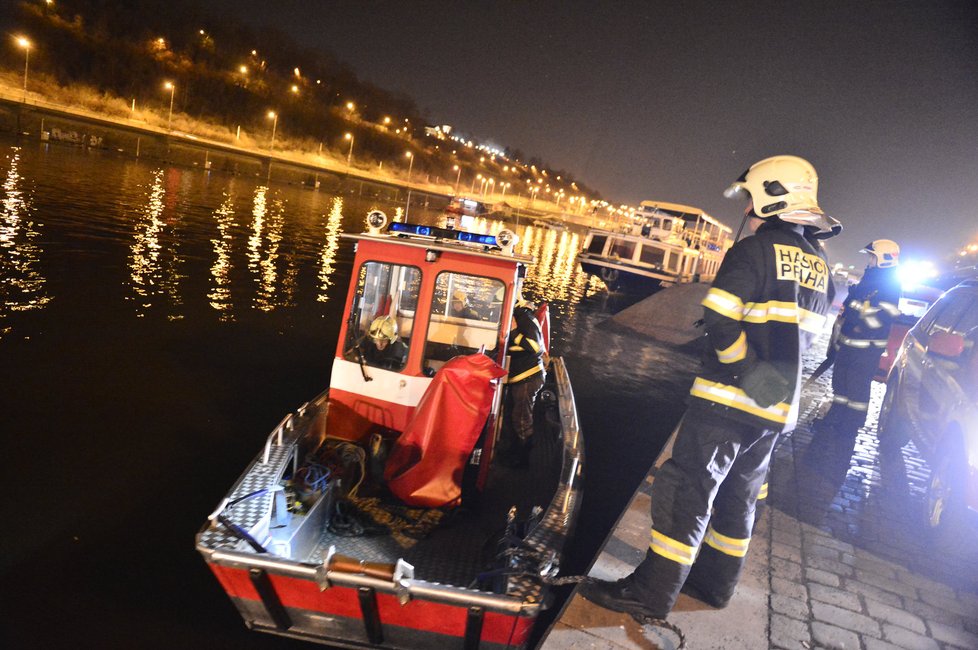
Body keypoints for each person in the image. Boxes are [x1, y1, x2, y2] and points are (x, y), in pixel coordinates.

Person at [581, 155, 840, 621]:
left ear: (771, 197)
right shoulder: (821, 264)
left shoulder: (755, 251)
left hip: (727, 403)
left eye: (750, 200)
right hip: (778, 410)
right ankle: (716, 583)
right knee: (741, 495)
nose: (746, 211)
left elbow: (720, 317)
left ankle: (651, 592)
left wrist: (745, 372)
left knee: (687, 491)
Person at [814, 240, 901, 441]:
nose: (869, 260)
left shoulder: (890, 284)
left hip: (866, 348)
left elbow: (886, 314)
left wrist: (859, 314)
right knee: (841, 386)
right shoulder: (871, 277)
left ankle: (850, 426)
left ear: (883, 259)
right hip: (851, 343)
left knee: (856, 390)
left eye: (872, 256)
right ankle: (835, 419)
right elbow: (858, 305)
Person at [498, 304, 547, 468]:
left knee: (521, 419)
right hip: (521, 377)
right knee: (513, 416)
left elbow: (534, 347)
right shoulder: (523, 316)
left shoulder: (524, 318)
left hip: (528, 376)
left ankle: (523, 460)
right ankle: (513, 451)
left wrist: (513, 332)